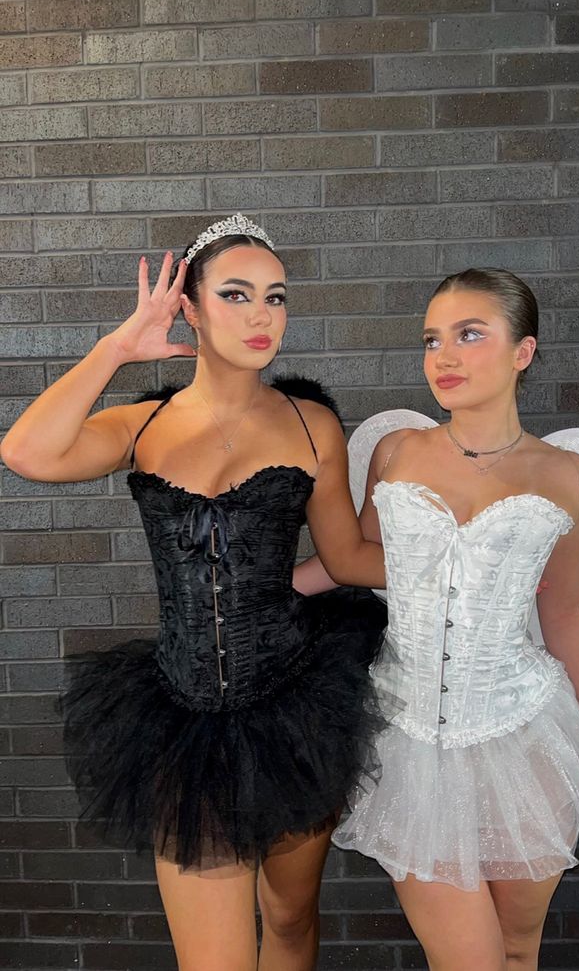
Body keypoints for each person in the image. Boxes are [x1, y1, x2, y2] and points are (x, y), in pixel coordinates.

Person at [0, 214, 388, 971]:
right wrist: (118, 345)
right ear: (191, 307)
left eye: (275, 298)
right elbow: (24, 451)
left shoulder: (312, 426)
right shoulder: (144, 423)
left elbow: (344, 558)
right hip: (183, 722)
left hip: (295, 706)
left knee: (288, 922)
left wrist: (460, 548)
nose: (260, 316)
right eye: (237, 294)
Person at [297, 268, 579, 971]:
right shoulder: (396, 453)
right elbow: (357, 561)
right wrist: (256, 590)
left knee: (519, 951)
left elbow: (564, 613)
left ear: (523, 351)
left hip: (525, 736)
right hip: (409, 743)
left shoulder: (570, 476)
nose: (442, 357)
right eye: (432, 339)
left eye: (469, 334)